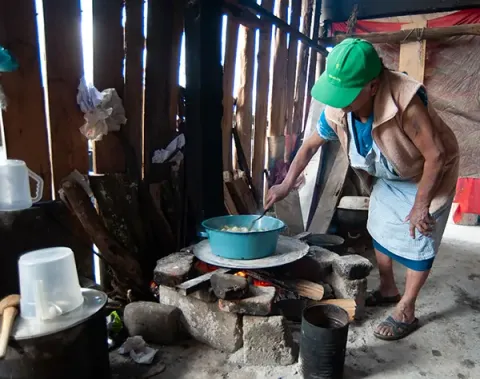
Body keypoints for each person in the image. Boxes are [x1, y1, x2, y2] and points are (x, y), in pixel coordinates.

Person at [265, 38, 459, 340]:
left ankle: (406, 309)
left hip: (428, 172)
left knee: (419, 234)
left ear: (372, 86)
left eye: (348, 94)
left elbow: (436, 155)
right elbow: (308, 147)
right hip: (394, 174)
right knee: (380, 227)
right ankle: (388, 289)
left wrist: (421, 204)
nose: (339, 101)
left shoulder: (405, 105)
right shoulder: (338, 110)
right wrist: (286, 184)